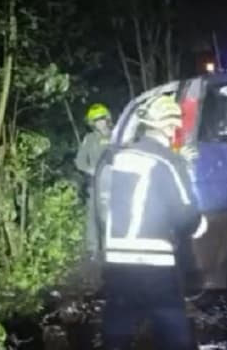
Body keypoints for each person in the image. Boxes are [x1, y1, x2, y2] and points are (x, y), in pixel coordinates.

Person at [98, 95, 200, 350]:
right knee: (175, 333)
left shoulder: (119, 158)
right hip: (155, 266)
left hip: (118, 263)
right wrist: (201, 225)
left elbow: (102, 204)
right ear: (170, 127)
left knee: (117, 332)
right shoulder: (168, 161)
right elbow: (185, 217)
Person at [75, 103, 113, 256]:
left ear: (107, 119)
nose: (100, 123)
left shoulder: (117, 135)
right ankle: (92, 249)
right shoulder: (89, 139)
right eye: (96, 120)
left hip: (116, 183)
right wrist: (89, 170)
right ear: (92, 123)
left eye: (102, 119)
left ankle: (110, 247)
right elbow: (79, 161)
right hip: (95, 185)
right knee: (93, 216)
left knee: (113, 217)